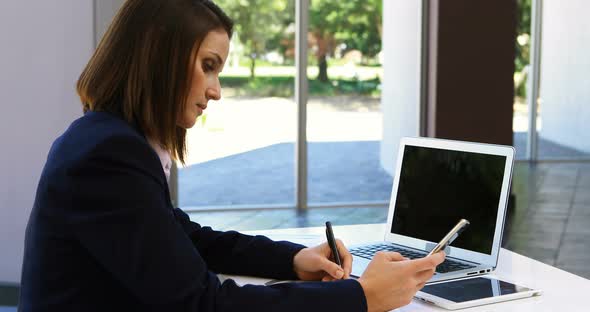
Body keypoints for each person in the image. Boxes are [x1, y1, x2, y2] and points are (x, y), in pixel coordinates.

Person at [18, 0, 445, 311]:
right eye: (208, 65)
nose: (216, 90)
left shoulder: (112, 140)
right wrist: (359, 296)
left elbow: (184, 236)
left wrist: (292, 259)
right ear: (159, 57)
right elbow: (202, 305)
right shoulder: (107, 154)